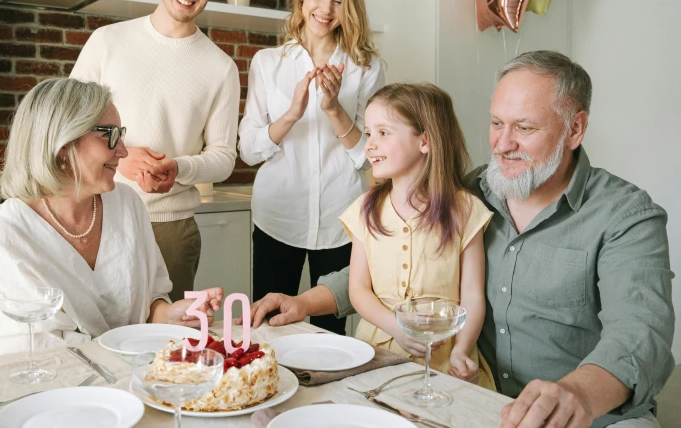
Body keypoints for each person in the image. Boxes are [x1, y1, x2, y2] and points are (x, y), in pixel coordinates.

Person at [243, 51, 675, 428]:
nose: (503, 144)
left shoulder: (625, 215)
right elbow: (387, 258)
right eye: (496, 123)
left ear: (575, 129)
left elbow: (641, 334)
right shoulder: (474, 190)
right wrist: (305, 302)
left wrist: (577, 394)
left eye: (523, 127)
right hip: (472, 400)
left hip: (591, 417)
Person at [0, 78, 222, 361]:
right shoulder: (11, 230)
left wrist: (170, 315)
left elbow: (151, 301)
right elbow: (52, 346)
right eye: (109, 135)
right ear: (63, 146)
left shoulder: (128, 205)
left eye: (122, 134)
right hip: (19, 375)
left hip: (110, 371)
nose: (123, 150)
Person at [70, 0, 240, 302]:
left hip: (171, 229)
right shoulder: (108, 41)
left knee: (167, 346)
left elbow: (224, 157)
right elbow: (67, 123)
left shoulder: (221, 67)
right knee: (97, 335)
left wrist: (178, 168)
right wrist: (123, 160)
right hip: (97, 216)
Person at [238, 0, 384, 335]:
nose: (326, 9)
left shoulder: (365, 67)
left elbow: (369, 156)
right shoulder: (267, 63)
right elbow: (249, 149)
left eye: (339, 0)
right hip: (277, 218)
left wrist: (334, 108)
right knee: (269, 329)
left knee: (330, 338)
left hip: (340, 217)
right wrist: (290, 114)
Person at [343, 83, 495, 389]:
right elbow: (358, 289)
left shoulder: (466, 210)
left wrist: (463, 350)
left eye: (383, 133)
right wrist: (397, 328)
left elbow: (473, 296)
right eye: (368, 133)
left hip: (443, 353)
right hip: (378, 349)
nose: (369, 144)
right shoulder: (364, 209)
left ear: (424, 141)